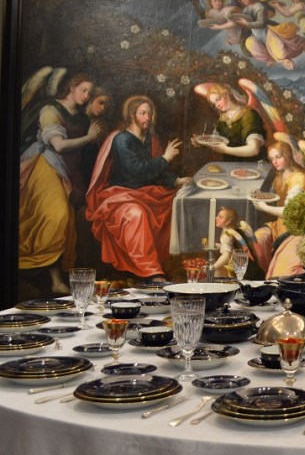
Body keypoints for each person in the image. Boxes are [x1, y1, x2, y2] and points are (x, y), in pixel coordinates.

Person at [86, 95, 191, 279]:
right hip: (121, 196)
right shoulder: (121, 140)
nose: (147, 118)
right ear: (132, 115)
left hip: (145, 193)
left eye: (150, 113)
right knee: (136, 215)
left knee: (177, 203)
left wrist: (176, 181)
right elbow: (135, 172)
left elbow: (155, 173)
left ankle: (174, 263)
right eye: (143, 113)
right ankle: (151, 271)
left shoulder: (150, 139)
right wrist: (165, 159)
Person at [19, 73, 105, 294]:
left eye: (89, 92)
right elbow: (58, 146)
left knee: (67, 222)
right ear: (71, 87)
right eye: (83, 90)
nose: (86, 96)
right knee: (58, 215)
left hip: (68, 172)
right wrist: (88, 138)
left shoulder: (81, 117)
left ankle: (56, 279)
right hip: (46, 167)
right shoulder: (50, 110)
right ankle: (54, 279)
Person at [252, 138, 305, 277]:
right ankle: (263, 275)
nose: (274, 162)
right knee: (257, 240)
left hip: (296, 229)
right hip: (280, 225)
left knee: (285, 268)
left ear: (287, 155)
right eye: (272, 159)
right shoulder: (280, 176)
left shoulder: (299, 179)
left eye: (278, 157)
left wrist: (264, 207)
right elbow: (274, 194)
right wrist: (260, 194)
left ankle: (274, 274)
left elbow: (289, 212)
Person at [196, 83, 266, 160]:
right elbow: (216, 140)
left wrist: (226, 150)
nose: (217, 105)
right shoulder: (223, 118)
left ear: (227, 95)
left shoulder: (249, 115)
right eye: (214, 104)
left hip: (251, 163)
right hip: (230, 162)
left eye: (218, 99)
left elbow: (254, 149)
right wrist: (201, 143)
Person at [210, 206, 262, 279]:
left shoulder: (227, 234)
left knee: (217, 271)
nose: (216, 218)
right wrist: (215, 245)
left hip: (238, 269)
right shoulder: (240, 230)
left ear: (228, 221)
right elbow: (232, 247)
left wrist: (213, 267)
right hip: (250, 268)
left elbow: (226, 256)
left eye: (220, 217)